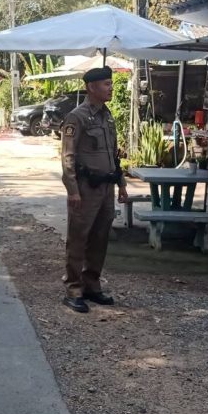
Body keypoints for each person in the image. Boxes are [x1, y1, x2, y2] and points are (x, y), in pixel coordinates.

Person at [60, 66, 129, 313]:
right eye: (106, 84)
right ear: (91, 87)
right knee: (79, 238)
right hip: (85, 189)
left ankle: (92, 284)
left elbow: (114, 155)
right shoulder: (76, 117)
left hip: (106, 188)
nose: (111, 88)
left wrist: (121, 184)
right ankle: (73, 289)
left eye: (111, 83)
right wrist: (73, 190)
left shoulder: (107, 116)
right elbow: (67, 157)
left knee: (100, 238)